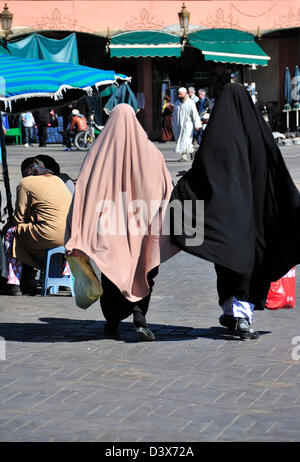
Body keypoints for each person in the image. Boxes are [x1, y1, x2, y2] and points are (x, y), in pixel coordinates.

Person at [170, 83, 300, 340]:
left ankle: (232, 310)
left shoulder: (217, 132)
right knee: (248, 262)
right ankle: (240, 315)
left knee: (226, 260)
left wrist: (187, 182)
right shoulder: (259, 132)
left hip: (223, 216)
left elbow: (204, 168)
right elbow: (276, 170)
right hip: (251, 217)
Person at [65, 103, 179, 341]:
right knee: (143, 270)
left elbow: (85, 190)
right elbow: (166, 189)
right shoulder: (152, 153)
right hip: (144, 223)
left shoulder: (97, 152)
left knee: (112, 270)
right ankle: (140, 317)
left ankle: (112, 318)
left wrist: (80, 227)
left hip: (109, 226)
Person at [2, 159, 72, 295]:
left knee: (10, 232)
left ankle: (14, 281)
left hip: (47, 234)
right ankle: (65, 275)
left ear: (26, 172)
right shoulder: (58, 180)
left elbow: (19, 217)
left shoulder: (26, 183)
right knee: (25, 232)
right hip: (69, 236)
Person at [172, 87, 202, 162]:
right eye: (178, 94)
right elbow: (175, 115)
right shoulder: (177, 103)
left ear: (185, 94)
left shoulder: (190, 103)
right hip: (179, 125)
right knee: (180, 139)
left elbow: (195, 114)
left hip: (187, 125)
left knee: (185, 140)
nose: (179, 96)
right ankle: (192, 151)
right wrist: (174, 124)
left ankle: (184, 156)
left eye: (181, 94)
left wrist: (197, 125)